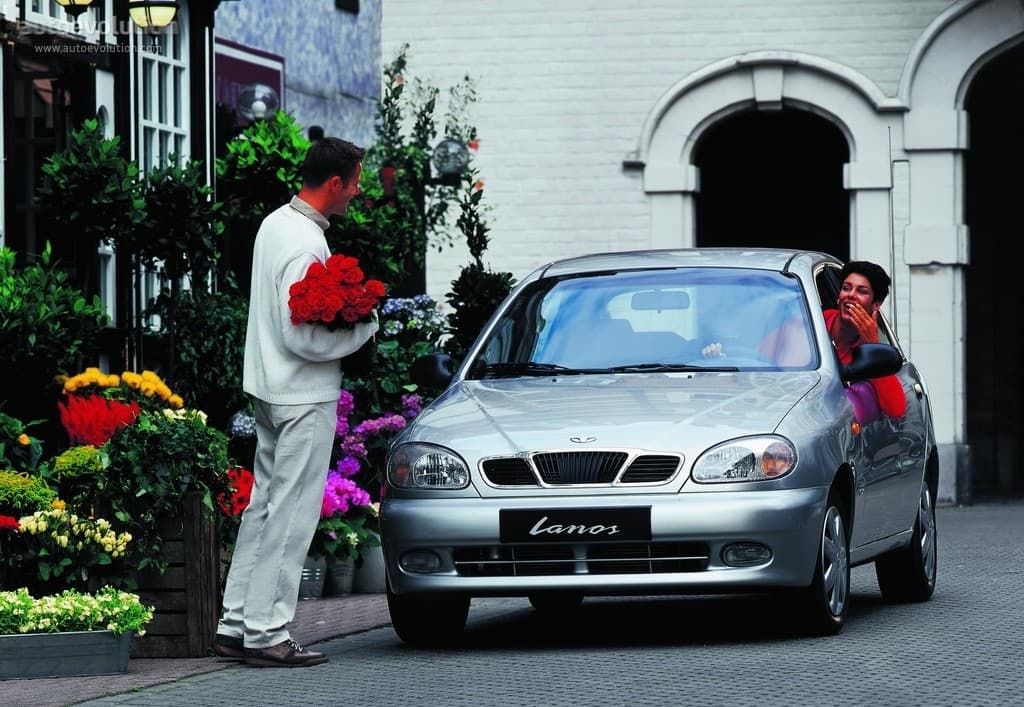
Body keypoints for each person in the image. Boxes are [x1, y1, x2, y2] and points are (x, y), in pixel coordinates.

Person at [212, 138, 379, 668]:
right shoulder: (306, 243)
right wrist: (365, 328)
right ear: (334, 183)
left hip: (269, 389)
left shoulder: (274, 224)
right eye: (354, 182)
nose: (357, 191)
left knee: (264, 507)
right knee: (292, 513)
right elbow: (301, 336)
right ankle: (267, 633)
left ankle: (236, 624)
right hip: (302, 395)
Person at [825, 260, 906, 420]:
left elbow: (896, 410)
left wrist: (872, 346)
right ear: (839, 297)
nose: (851, 295)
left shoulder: (865, 351)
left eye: (861, 291)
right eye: (846, 288)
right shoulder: (810, 323)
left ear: (875, 306)